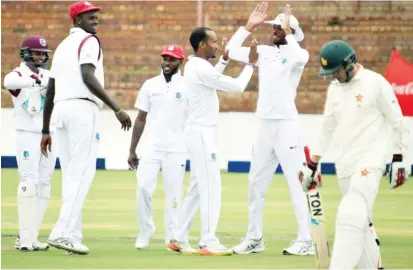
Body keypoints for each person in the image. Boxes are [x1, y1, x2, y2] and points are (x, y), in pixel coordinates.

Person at [299, 39, 408, 269]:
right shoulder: (335, 89)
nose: (333, 76)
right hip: (345, 165)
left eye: (335, 71)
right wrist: (312, 165)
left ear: (349, 62)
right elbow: (327, 128)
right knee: (362, 223)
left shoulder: (375, 83)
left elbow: (397, 122)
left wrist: (400, 159)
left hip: (371, 160)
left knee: (350, 214)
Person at [40, 1, 131, 255]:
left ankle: (72, 236)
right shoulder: (89, 42)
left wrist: (46, 129)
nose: (95, 21)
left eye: (96, 17)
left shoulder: (61, 47)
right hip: (82, 110)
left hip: (60, 112)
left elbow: (51, 91)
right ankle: (61, 232)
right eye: (89, 17)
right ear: (76, 20)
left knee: (72, 175)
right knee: (82, 174)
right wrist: (116, 108)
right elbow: (88, 76)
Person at [227, 2, 313, 255]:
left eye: (280, 26)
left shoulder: (300, 54)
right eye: (274, 26)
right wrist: (248, 26)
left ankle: (306, 239)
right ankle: (254, 239)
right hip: (265, 125)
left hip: (286, 125)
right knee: (255, 182)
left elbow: (298, 57)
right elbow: (231, 51)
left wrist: (289, 31)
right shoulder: (263, 51)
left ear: (291, 31)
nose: (275, 29)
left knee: (296, 182)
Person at [167, 26, 258, 256]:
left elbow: (211, 78)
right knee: (211, 186)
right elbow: (237, 86)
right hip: (201, 133)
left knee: (199, 187)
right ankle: (208, 241)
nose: (217, 46)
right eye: (214, 42)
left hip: (199, 132)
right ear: (201, 45)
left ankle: (178, 237)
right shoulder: (199, 68)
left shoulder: (198, 67)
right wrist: (251, 65)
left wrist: (225, 60)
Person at [127, 44, 187, 249]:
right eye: (164, 58)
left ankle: (172, 237)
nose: (167, 63)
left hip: (177, 148)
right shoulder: (150, 84)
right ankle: (145, 231)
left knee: (173, 195)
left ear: (181, 61)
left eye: (171, 59)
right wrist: (132, 149)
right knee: (143, 186)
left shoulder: (188, 85)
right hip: (153, 147)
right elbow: (141, 118)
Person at [3, 35, 55, 252]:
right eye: (36, 53)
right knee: (29, 181)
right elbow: (8, 83)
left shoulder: (49, 74)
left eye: (43, 53)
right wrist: (35, 82)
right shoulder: (19, 74)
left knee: (44, 184)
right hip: (27, 134)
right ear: (26, 53)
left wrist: (46, 82)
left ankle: (33, 237)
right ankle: (23, 239)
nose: (41, 56)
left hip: (48, 134)